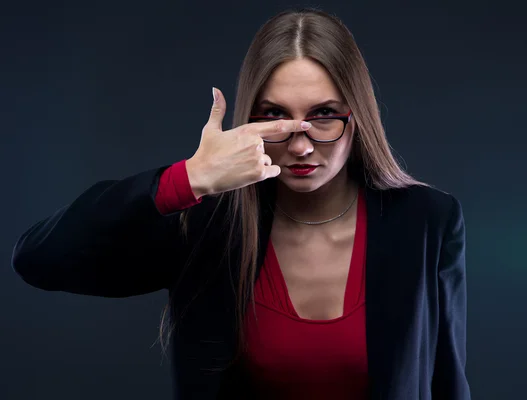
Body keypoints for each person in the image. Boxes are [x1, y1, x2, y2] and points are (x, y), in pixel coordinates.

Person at [11, 8, 470, 400]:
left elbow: (447, 380)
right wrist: (188, 178)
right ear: (248, 118)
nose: (301, 145)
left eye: (323, 115)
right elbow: (40, 260)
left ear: (359, 117)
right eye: (274, 116)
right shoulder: (207, 224)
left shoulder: (427, 221)